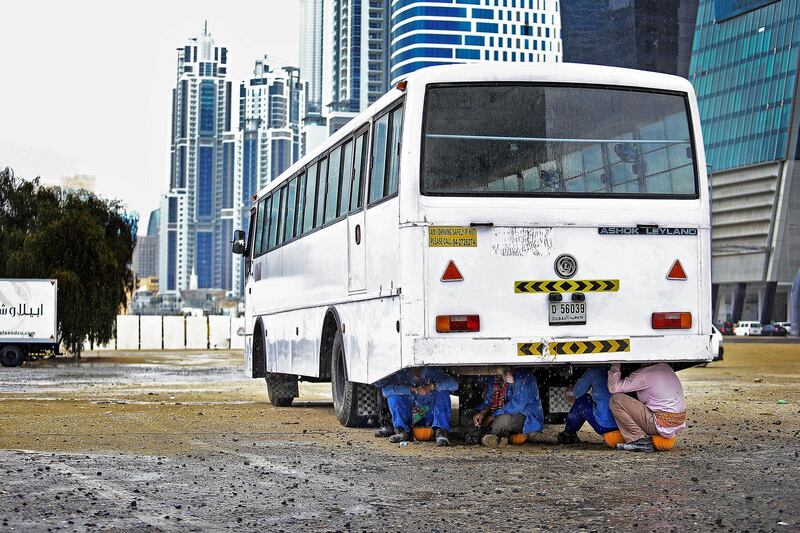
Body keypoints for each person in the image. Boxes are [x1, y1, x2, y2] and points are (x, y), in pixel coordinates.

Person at [607, 362, 687, 453]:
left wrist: (616, 363)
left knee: (616, 400)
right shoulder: (665, 367)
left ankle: (639, 440)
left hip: (661, 423)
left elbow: (613, 388)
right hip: (677, 423)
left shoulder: (644, 374)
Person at [379, 367, 458, 446]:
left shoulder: (431, 372)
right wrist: (410, 389)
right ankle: (402, 431)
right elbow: (385, 391)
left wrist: (431, 386)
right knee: (393, 398)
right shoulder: (401, 374)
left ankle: (441, 432)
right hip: (410, 415)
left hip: (429, 413)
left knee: (443, 393)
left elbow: (454, 385)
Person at [467, 368, 544, 448]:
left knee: (500, 423)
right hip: (498, 412)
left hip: (524, 414)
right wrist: (482, 413)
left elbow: (517, 405)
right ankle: (489, 436)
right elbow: (489, 401)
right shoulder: (494, 377)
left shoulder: (524, 376)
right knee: (468, 415)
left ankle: (481, 436)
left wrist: (492, 416)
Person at [557, 365, 617, 444]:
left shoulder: (595, 370)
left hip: (604, 426)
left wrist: (569, 391)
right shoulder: (625, 369)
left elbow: (573, 395)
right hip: (627, 426)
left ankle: (568, 433)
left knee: (583, 399)